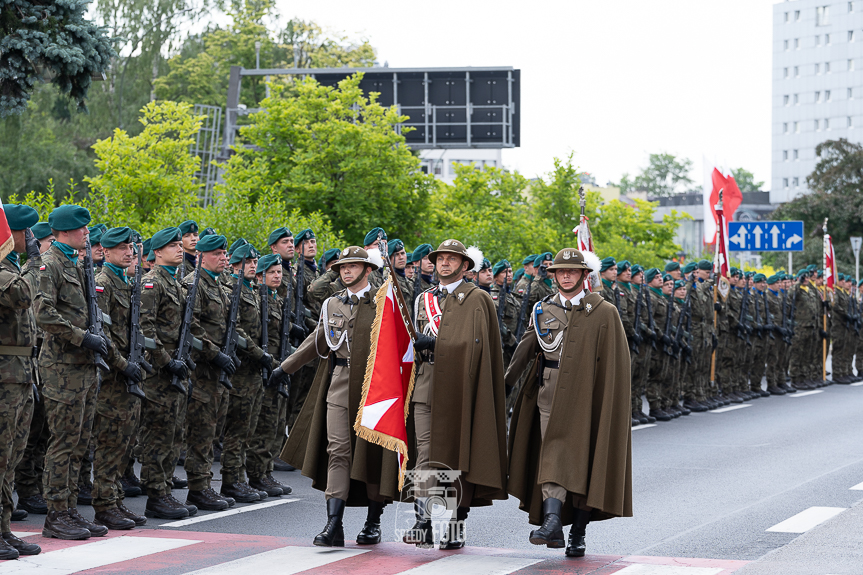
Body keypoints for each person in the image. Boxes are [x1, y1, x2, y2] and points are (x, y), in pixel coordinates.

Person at [506, 248, 632, 558]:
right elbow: (525, 349)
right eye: (560, 271)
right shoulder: (543, 310)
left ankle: (577, 531)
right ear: (553, 276)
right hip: (550, 392)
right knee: (553, 452)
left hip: (589, 397)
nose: (565, 275)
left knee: (585, 465)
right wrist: (501, 386)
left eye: (572, 271)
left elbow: (616, 363)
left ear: (584, 275)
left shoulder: (603, 312)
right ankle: (552, 522)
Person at [272, 247, 399, 547]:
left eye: (353, 266)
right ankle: (334, 524)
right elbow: (318, 339)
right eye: (343, 266)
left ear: (368, 270)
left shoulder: (385, 302)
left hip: (375, 386)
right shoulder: (332, 304)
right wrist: (285, 367)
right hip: (340, 381)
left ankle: (373, 521)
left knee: (372, 453)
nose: (346, 271)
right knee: (338, 450)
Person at [406, 240, 508, 550]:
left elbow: (478, 348)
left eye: (452, 259)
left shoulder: (478, 300)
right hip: (427, 382)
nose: (445, 264)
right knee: (424, 453)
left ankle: (455, 521)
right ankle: (422, 521)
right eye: (440, 259)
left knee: (458, 457)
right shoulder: (423, 299)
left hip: (463, 387)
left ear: (465, 266)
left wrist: (436, 345)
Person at [37, 204, 108, 540]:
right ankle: (56, 514)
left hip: (82, 367)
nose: (87, 234)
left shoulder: (76, 263)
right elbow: (44, 314)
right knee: (63, 443)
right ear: (65, 230)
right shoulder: (50, 263)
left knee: (80, 443)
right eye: (82, 230)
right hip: (61, 368)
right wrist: (83, 337)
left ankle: (69, 510)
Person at [89, 227, 148, 530]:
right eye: (122, 248)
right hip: (114, 379)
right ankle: (103, 506)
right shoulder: (103, 283)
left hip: (129, 376)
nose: (129, 252)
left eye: (131, 247)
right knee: (110, 443)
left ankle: (115, 499)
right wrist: (124, 364)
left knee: (124, 443)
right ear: (106, 251)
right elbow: (104, 334)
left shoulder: (126, 281)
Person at [138, 227, 197, 520]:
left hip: (177, 366)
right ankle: (155, 495)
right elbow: (145, 330)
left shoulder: (175, 283)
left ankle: (164, 490)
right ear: (157, 252)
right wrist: (165, 360)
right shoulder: (153, 283)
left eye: (179, 244)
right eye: (173, 245)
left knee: (174, 434)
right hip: (159, 372)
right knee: (158, 434)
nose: (179, 249)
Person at [0, 205, 43, 557]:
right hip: (4, 378)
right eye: (24, 232)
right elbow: (23, 296)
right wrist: (33, 264)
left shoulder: (12, 269)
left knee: (12, 457)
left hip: (21, 376)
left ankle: (4, 528)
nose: (30, 239)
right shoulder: (3, 273)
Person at [184, 234, 237, 512]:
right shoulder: (194, 284)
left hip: (217, 372)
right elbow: (191, 329)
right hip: (201, 371)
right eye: (218, 254)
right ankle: (198, 488)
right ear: (202, 256)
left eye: (225, 254)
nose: (224, 258)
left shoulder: (217, 285)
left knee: (212, 430)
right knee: (201, 432)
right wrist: (215, 353)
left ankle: (205, 485)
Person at [220, 244, 274, 502]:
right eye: (247, 261)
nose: (253, 265)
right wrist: (258, 353)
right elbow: (237, 330)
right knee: (237, 429)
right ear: (233, 265)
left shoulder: (252, 291)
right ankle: (231, 480)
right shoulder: (233, 290)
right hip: (241, 369)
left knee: (249, 429)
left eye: (254, 261)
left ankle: (240, 478)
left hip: (253, 371)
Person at [246, 254, 292, 497]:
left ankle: (266, 471)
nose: (277, 276)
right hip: (267, 366)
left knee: (276, 422)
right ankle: (257, 473)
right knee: (264, 423)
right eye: (272, 272)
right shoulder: (259, 300)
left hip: (280, 365)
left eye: (279, 272)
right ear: (261, 276)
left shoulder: (278, 300)